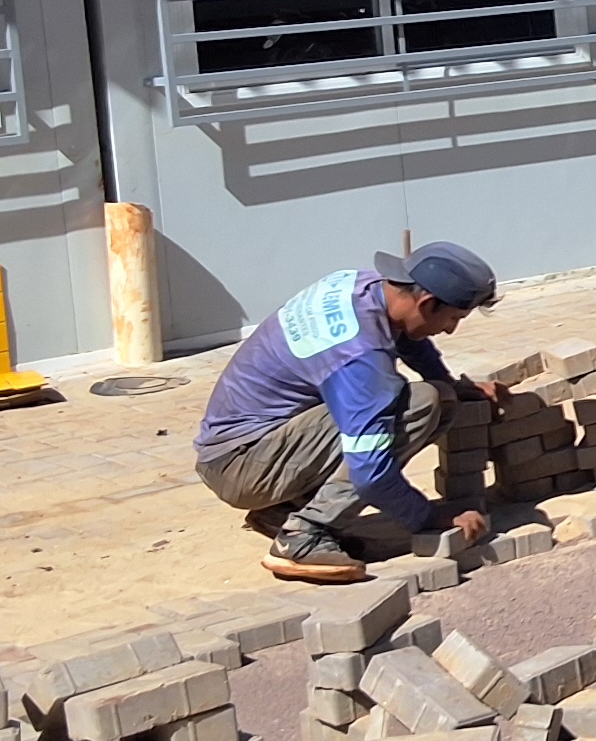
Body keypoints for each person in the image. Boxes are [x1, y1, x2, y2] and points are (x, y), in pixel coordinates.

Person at [191, 243, 501, 584]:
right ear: (426, 303)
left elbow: (406, 336)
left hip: (236, 448)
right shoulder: (361, 357)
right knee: (422, 404)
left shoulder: (364, 288)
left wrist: (448, 382)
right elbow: (370, 472)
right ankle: (303, 536)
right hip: (245, 463)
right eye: (453, 318)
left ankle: (282, 511)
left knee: (437, 394)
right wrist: (429, 517)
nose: (450, 330)